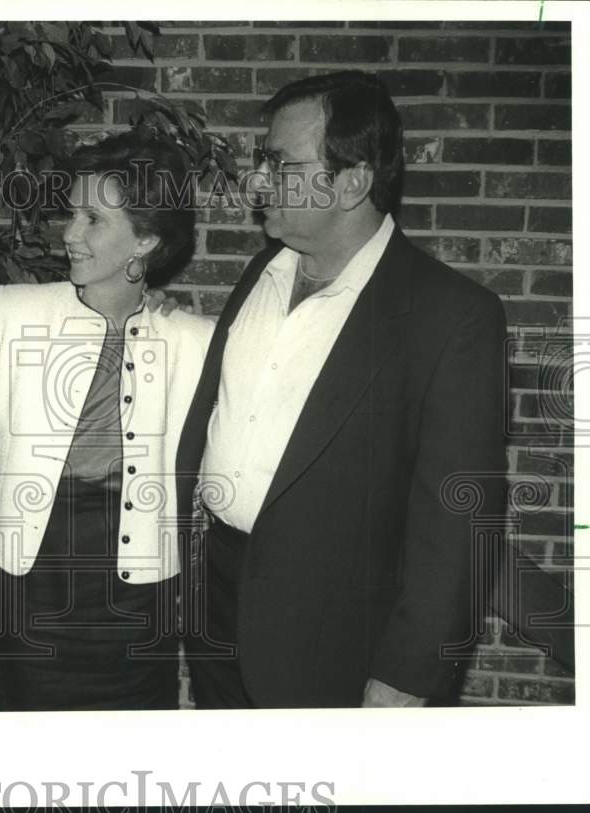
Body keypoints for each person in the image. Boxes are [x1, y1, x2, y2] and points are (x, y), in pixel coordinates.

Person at [177, 71, 508, 708]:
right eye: (260, 160)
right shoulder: (262, 272)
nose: (257, 181)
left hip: (336, 647)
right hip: (217, 606)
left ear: (352, 181)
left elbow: (460, 522)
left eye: (280, 163)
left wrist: (409, 676)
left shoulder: (451, 317)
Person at [0, 132, 214, 710]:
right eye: (71, 213)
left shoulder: (193, 340)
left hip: (136, 602)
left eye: (93, 219)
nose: (69, 232)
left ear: (146, 241)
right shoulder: (13, 310)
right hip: (28, 585)